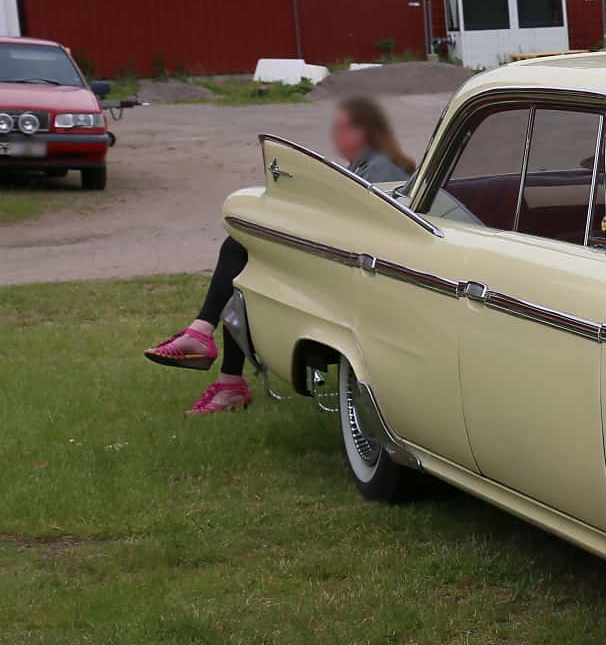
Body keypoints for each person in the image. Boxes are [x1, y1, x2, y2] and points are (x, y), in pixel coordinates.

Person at [144, 97, 414, 414]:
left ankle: (208, 346)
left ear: (366, 131)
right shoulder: (362, 165)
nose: (336, 137)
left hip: (361, 275)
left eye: (342, 129)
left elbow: (364, 225)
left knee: (240, 252)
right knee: (243, 257)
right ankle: (218, 364)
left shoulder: (381, 167)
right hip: (343, 263)